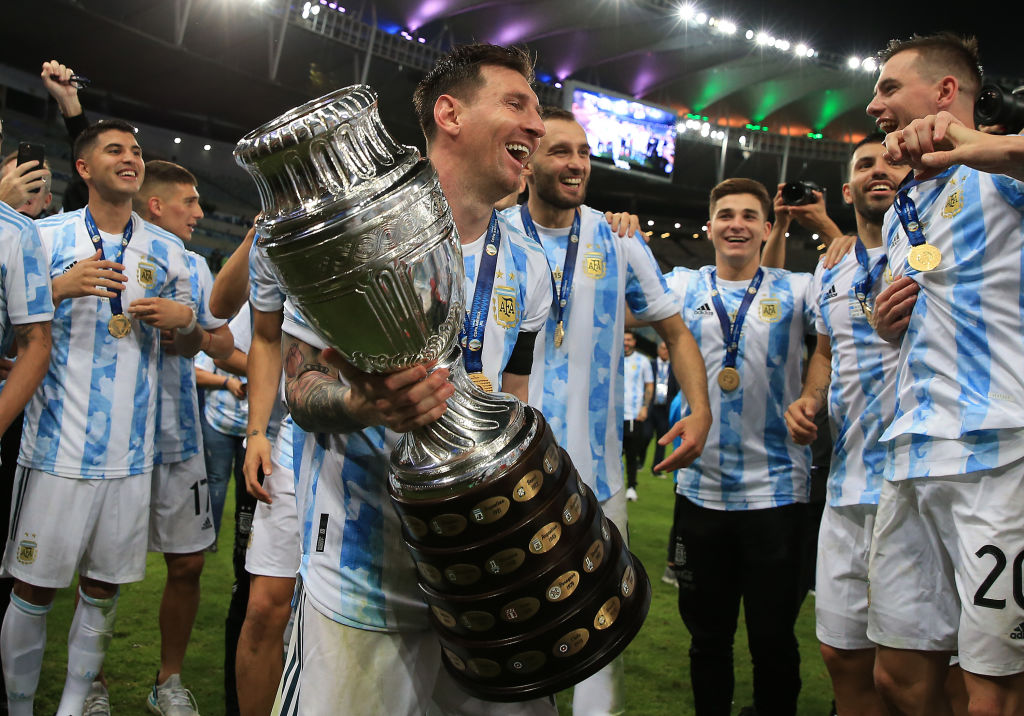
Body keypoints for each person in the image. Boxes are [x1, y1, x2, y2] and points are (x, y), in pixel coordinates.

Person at [273, 43, 553, 714]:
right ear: (449, 113)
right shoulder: (348, 233)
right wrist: (363, 402)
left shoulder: (531, 266)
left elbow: (516, 400)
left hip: (487, 578)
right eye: (516, 104)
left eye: (539, 112)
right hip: (366, 572)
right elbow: (301, 388)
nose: (538, 127)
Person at [504, 105, 711, 715]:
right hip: (517, 470)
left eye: (583, 153)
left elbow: (675, 332)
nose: (575, 164)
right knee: (519, 626)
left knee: (602, 631)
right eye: (560, 151)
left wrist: (698, 410)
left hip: (601, 475)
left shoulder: (618, 238)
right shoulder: (497, 235)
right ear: (530, 158)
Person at [0, 119, 199, 716]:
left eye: (137, 150)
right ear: (84, 169)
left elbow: (191, 344)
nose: (131, 157)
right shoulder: (43, 237)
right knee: (31, 589)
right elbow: (11, 332)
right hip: (55, 447)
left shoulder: (169, 251)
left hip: (130, 457)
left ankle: (71, 707)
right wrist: (59, 287)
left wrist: (180, 322)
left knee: (102, 591)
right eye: (115, 150)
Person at [865, 33, 1024, 714]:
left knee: (993, 686)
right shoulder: (906, 213)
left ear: (946, 92)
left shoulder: (1003, 171)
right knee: (896, 676)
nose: (874, 104)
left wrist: (973, 141)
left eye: (889, 88)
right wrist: (885, 323)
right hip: (909, 458)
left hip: (997, 456)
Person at [662, 178, 815, 716]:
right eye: (725, 214)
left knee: (773, 641)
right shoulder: (681, 285)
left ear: (768, 228)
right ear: (709, 226)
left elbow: (851, 315)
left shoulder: (797, 290)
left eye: (750, 216)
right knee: (708, 641)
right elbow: (619, 288)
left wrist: (832, 230)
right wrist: (620, 230)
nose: (736, 224)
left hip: (776, 494)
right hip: (700, 491)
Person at [782, 134, 904, 715]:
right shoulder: (829, 273)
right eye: (865, 164)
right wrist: (810, 397)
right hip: (848, 482)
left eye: (892, 160)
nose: (879, 169)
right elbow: (826, 351)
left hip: (919, 485)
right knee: (840, 653)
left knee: (919, 668)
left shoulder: (932, 252)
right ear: (848, 188)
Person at [108, 159, 232, 714]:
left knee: (188, 563)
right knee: (101, 567)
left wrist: (187, 325)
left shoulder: (194, 265)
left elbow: (219, 342)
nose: (200, 213)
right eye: (190, 202)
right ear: (156, 205)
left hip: (178, 433)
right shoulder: (106, 253)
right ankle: (91, 682)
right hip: (110, 437)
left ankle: (169, 681)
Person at [622, 329, 652, 501]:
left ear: (634, 342)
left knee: (632, 454)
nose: (626, 343)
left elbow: (649, 385)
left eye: (629, 340)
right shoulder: (615, 360)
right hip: (616, 416)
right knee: (614, 454)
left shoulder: (643, 361)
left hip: (633, 415)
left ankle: (632, 487)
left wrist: (645, 407)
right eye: (624, 339)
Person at [648, 340, 678, 475]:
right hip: (651, 406)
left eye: (667, 348)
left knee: (662, 440)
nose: (665, 351)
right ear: (658, 350)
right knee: (646, 435)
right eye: (663, 348)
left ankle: (657, 468)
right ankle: (640, 460)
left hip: (665, 408)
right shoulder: (650, 365)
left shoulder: (675, 367)